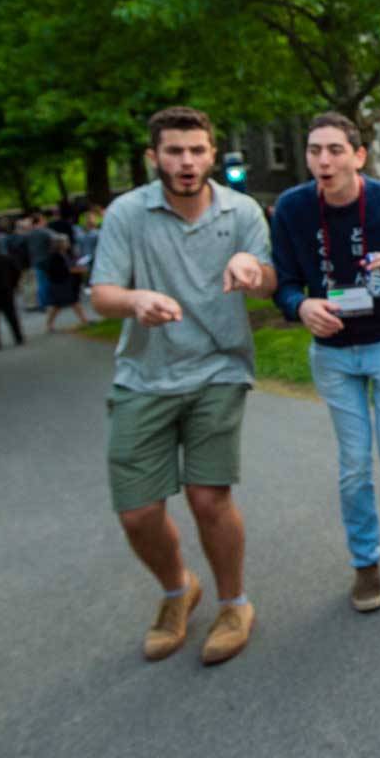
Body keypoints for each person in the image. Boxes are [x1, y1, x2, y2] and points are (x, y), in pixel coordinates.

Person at [88, 106, 275, 667]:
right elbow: (102, 294)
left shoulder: (242, 211)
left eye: (196, 151)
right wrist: (134, 299)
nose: (186, 162)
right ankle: (177, 589)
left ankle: (233, 602)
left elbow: (268, 286)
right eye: (174, 151)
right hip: (144, 374)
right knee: (137, 513)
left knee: (207, 496)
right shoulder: (126, 214)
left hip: (218, 365)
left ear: (213, 154)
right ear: (154, 158)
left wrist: (251, 266)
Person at [271, 113, 380, 612]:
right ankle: (365, 563)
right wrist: (300, 306)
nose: (324, 160)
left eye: (335, 150)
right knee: (353, 466)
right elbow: (282, 284)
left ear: (359, 156)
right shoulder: (292, 208)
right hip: (333, 354)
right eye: (315, 150)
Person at [42, 228, 91, 331]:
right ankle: (84, 320)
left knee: (66, 303)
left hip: (65, 281)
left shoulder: (65, 254)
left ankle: (84, 320)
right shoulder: (55, 256)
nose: (68, 243)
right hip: (59, 282)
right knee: (61, 304)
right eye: (66, 242)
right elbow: (61, 270)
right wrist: (74, 270)